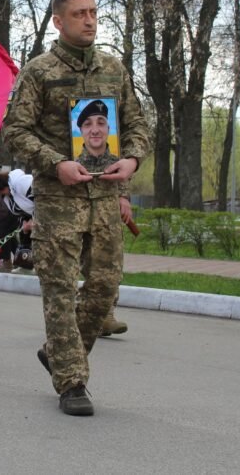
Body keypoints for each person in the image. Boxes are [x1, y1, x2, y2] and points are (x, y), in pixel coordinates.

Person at [3, 0, 150, 415]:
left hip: (105, 195)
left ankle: (59, 352)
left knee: (104, 288)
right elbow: (15, 130)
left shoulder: (113, 70)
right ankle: (72, 382)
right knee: (61, 290)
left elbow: (138, 122)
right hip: (59, 197)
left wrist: (133, 158)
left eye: (93, 13)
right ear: (59, 21)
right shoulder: (39, 72)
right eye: (79, 14)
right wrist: (54, 163)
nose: (89, 21)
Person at [75, 99, 133, 337]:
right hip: (76, 209)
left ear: (109, 128)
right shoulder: (74, 159)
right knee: (83, 263)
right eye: (88, 123)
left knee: (111, 265)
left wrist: (123, 196)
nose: (95, 129)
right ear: (81, 130)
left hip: (107, 208)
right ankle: (79, 316)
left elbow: (123, 171)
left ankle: (106, 314)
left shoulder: (116, 157)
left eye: (101, 122)